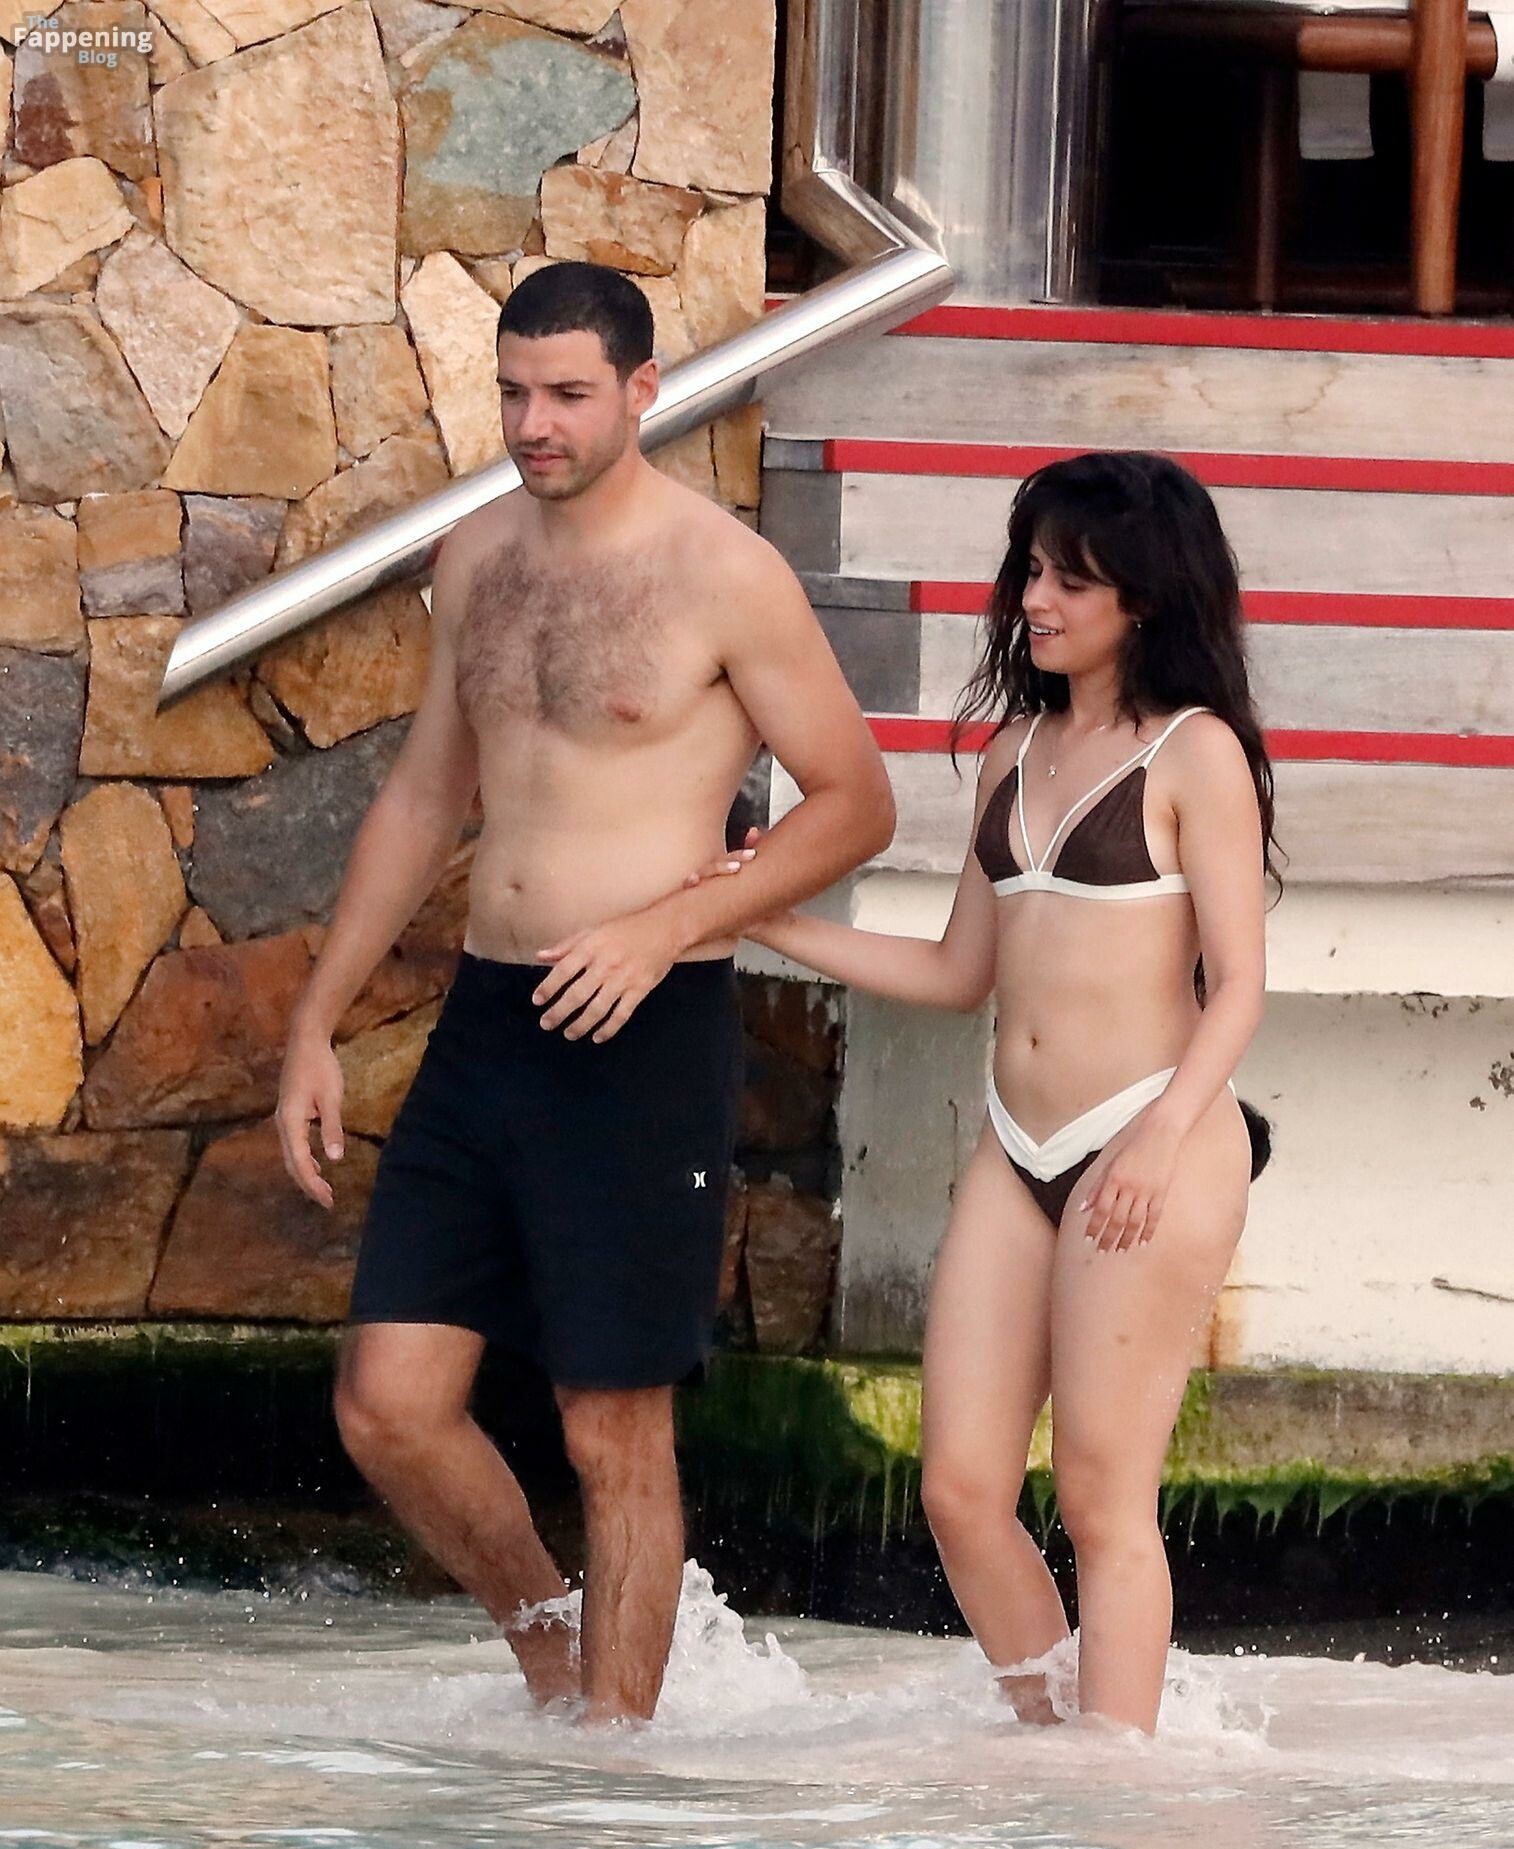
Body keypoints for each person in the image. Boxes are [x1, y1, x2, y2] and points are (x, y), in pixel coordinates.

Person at [274, 261, 895, 1724]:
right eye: (511, 392)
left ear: (640, 392)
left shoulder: (724, 574)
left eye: (564, 394)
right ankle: (553, 1649)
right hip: (488, 1021)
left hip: (640, 1032)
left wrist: (670, 923)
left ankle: (613, 1771)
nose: (531, 424)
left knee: (612, 1427)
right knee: (387, 1406)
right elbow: (425, 797)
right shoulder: (477, 555)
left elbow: (854, 803)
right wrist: (314, 1021)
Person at [686, 451, 1281, 1736]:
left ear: (1144, 597)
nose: (1033, 600)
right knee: (958, 1490)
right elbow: (960, 973)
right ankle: (1057, 1747)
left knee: (1101, 1502)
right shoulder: (1012, 750)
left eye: (1070, 580)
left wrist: (1158, 1139)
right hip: (1018, 1145)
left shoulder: (1195, 754)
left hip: (1152, 1140)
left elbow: (1238, 986)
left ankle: (1112, 1789)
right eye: (1030, 572)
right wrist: (766, 918)